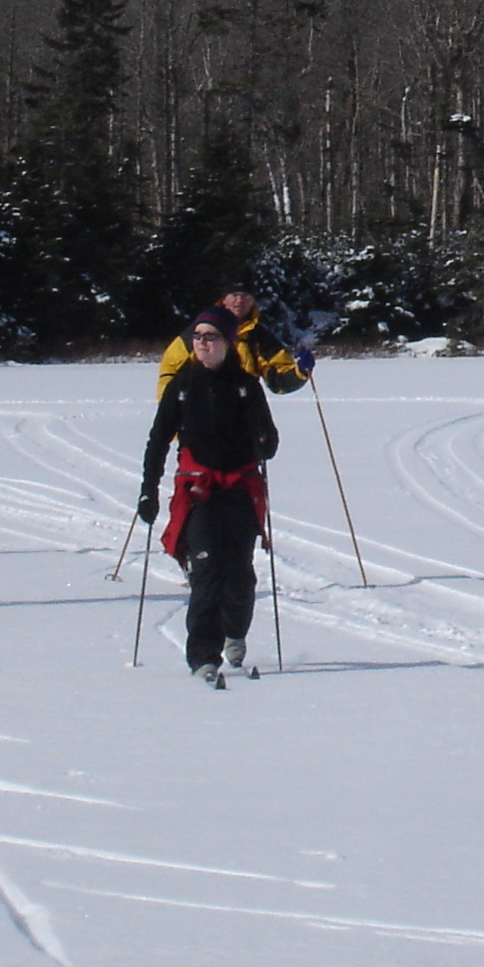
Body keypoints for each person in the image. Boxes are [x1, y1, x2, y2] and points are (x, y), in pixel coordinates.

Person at [139, 308, 278, 684]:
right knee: (207, 573)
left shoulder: (247, 385)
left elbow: (270, 440)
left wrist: (264, 441)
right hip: (199, 491)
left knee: (238, 577)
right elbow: (158, 440)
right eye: (197, 336)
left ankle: (236, 632)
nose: (201, 342)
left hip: (240, 490)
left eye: (210, 336)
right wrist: (147, 491)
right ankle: (203, 656)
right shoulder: (181, 386)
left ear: (227, 342)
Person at [152, 284, 313, 399]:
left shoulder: (259, 337)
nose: (239, 300)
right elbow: (170, 370)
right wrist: (174, 420)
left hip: (243, 419)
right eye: (234, 295)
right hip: (201, 418)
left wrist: (300, 371)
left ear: (253, 301)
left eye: (245, 295)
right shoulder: (200, 330)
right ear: (224, 299)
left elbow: (278, 381)